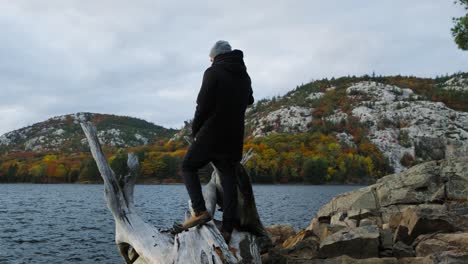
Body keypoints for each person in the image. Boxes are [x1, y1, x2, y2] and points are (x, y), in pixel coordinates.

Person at [176, 40, 254, 243]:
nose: (210, 62)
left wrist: (195, 131)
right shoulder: (244, 76)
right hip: (234, 137)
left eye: (211, 58)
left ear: (216, 56)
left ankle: (200, 211)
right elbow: (250, 100)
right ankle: (228, 227)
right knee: (228, 179)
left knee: (187, 166)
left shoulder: (213, 72)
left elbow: (202, 105)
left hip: (212, 133)